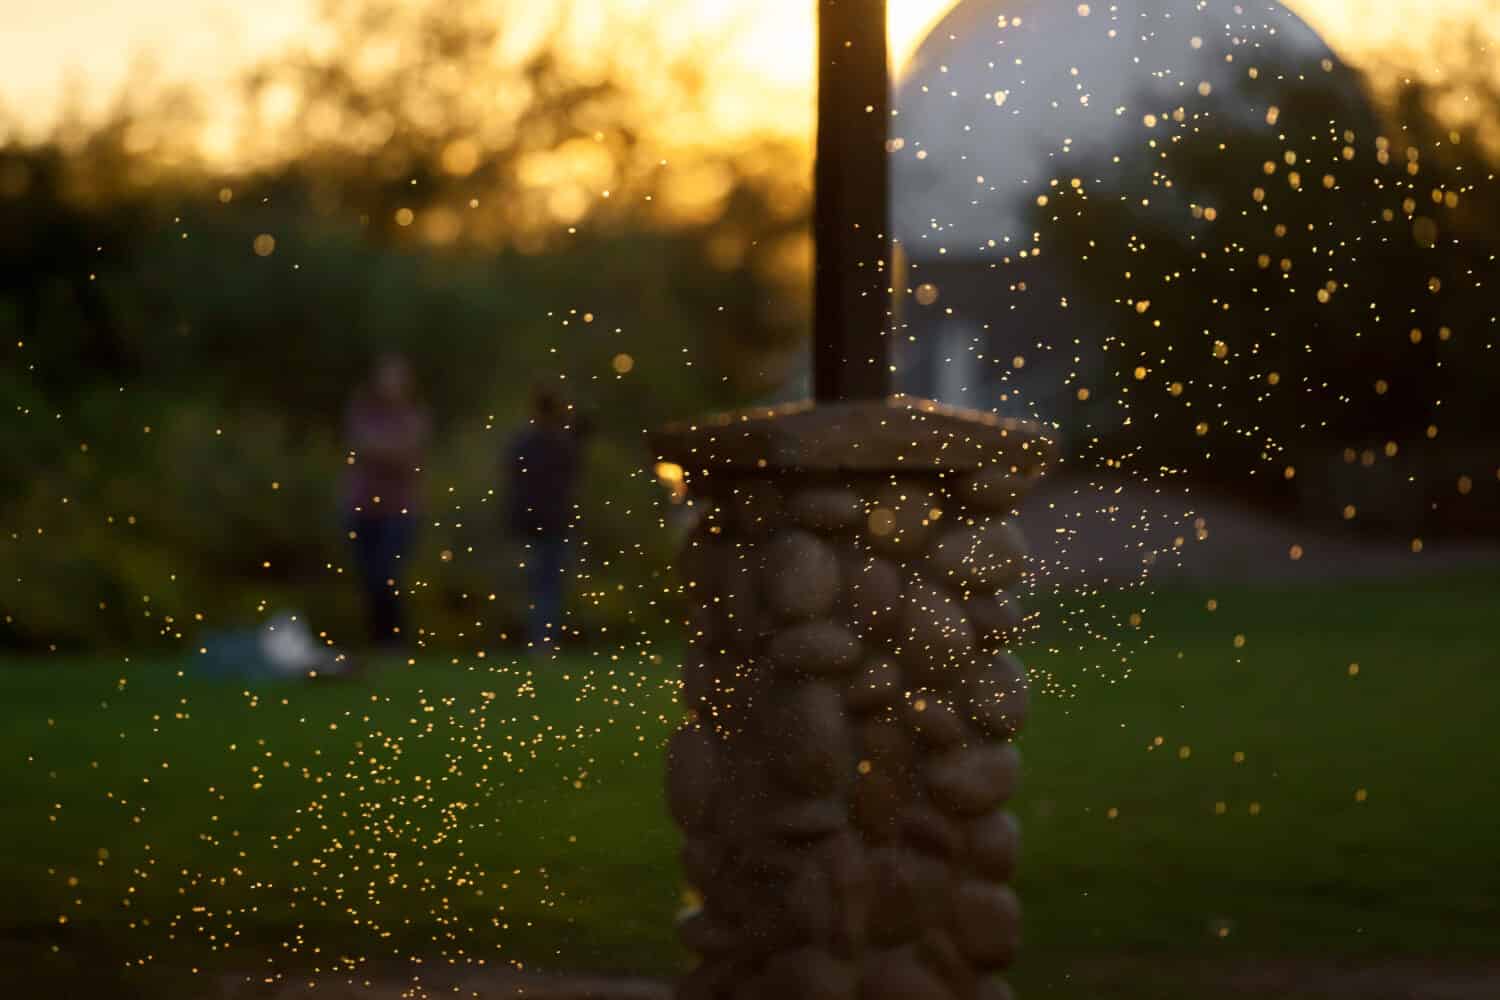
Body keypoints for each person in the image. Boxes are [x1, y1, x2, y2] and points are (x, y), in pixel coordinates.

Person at [344, 354, 430, 649]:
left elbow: (407, 455)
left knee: (388, 573)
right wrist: (387, 451)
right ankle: (378, 639)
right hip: (362, 506)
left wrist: (380, 451)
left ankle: (394, 640)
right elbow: (361, 446)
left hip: (400, 508)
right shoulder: (362, 412)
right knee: (368, 576)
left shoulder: (413, 416)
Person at [506, 386, 587, 652]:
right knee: (549, 584)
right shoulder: (561, 443)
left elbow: (513, 479)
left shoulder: (524, 442)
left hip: (530, 522)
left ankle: (536, 636)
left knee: (536, 582)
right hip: (554, 522)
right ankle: (543, 639)